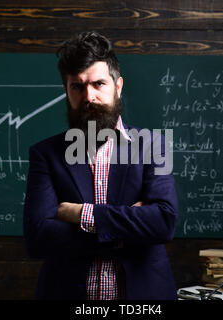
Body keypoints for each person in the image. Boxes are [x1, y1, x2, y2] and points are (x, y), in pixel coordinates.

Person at [23, 31, 178, 300]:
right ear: (66, 90)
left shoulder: (154, 145)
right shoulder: (45, 154)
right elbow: (38, 238)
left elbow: (164, 223)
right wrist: (122, 231)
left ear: (118, 87)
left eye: (98, 84)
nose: (89, 96)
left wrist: (82, 214)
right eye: (77, 86)